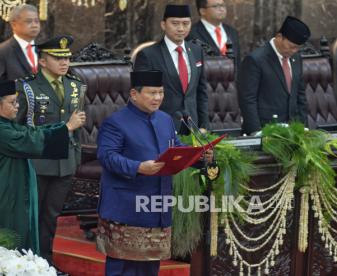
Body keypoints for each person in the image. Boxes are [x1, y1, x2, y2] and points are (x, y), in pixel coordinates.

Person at [96, 70, 213, 276]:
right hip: (127, 206)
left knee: (151, 266)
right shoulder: (116, 122)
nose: (157, 98)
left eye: (160, 93)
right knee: (123, 268)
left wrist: (200, 156)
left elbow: (174, 149)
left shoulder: (165, 119)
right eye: (151, 93)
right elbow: (106, 157)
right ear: (134, 94)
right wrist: (138, 167)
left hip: (157, 205)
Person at [0, 80, 85, 254]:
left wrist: (62, 128)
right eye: (12, 102)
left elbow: (30, 133)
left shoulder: (3, 124)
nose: (17, 106)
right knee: (5, 242)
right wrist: (67, 128)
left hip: (11, 194)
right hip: (2, 198)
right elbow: (29, 141)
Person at [15, 35, 86, 271]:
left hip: (65, 162)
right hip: (37, 161)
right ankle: (25, 261)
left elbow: (79, 129)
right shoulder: (27, 88)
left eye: (67, 57)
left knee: (51, 216)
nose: (64, 62)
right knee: (31, 215)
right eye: (58, 58)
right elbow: (18, 128)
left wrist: (76, 158)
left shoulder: (75, 86)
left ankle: (45, 263)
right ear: (43, 61)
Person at [134, 4, 209, 135]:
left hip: (193, 128)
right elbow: (142, 96)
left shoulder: (197, 51)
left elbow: (201, 91)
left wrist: (204, 125)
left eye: (186, 23)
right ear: (163, 25)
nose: (181, 28)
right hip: (160, 128)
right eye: (175, 23)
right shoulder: (148, 55)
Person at [238, 16, 310, 135]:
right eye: (292, 46)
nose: (294, 51)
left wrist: (303, 127)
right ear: (279, 37)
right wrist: (255, 132)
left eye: (298, 48)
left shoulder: (296, 58)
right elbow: (247, 99)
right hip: (266, 129)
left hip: (293, 131)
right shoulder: (255, 59)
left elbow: (300, 95)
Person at [0, 4, 40, 84]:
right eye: (29, 21)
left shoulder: (44, 50)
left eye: (37, 21)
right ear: (14, 25)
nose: (34, 25)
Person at [188, 0, 241, 69]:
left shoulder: (232, 32)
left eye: (222, 5)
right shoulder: (191, 33)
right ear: (203, 11)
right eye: (216, 6)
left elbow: (237, 62)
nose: (222, 9)